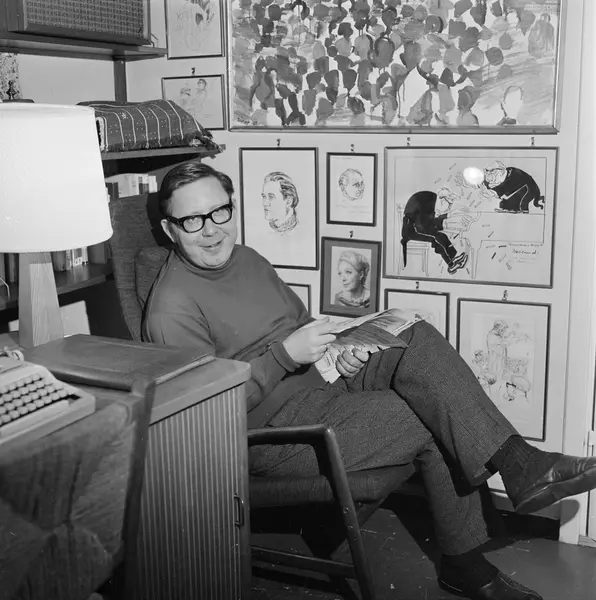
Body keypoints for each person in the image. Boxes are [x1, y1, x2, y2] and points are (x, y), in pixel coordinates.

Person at [143, 162, 596, 600]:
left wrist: (337, 352)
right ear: (170, 228)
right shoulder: (171, 307)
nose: (211, 229)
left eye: (220, 212)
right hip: (273, 433)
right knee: (432, 411)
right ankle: (469, 559)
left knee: (414, 337)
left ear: (232, 208)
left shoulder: (248, 259)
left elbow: (297, 325)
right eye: (192, 220)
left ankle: (520, 463)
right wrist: (285, 356)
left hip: (318, 381)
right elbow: (203, 409)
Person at [401, 187, 469, 275]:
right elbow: (424, 227)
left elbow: (428, 223)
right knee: (435, 239)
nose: (449, 208)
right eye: (449, 205)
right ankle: (451, 265)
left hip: (417, 227)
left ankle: (453, 258)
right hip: (411, 231)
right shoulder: (428, 201)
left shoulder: (431, 200)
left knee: (442, 236)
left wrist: (447, 216)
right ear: (442, 200)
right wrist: (445, 221)